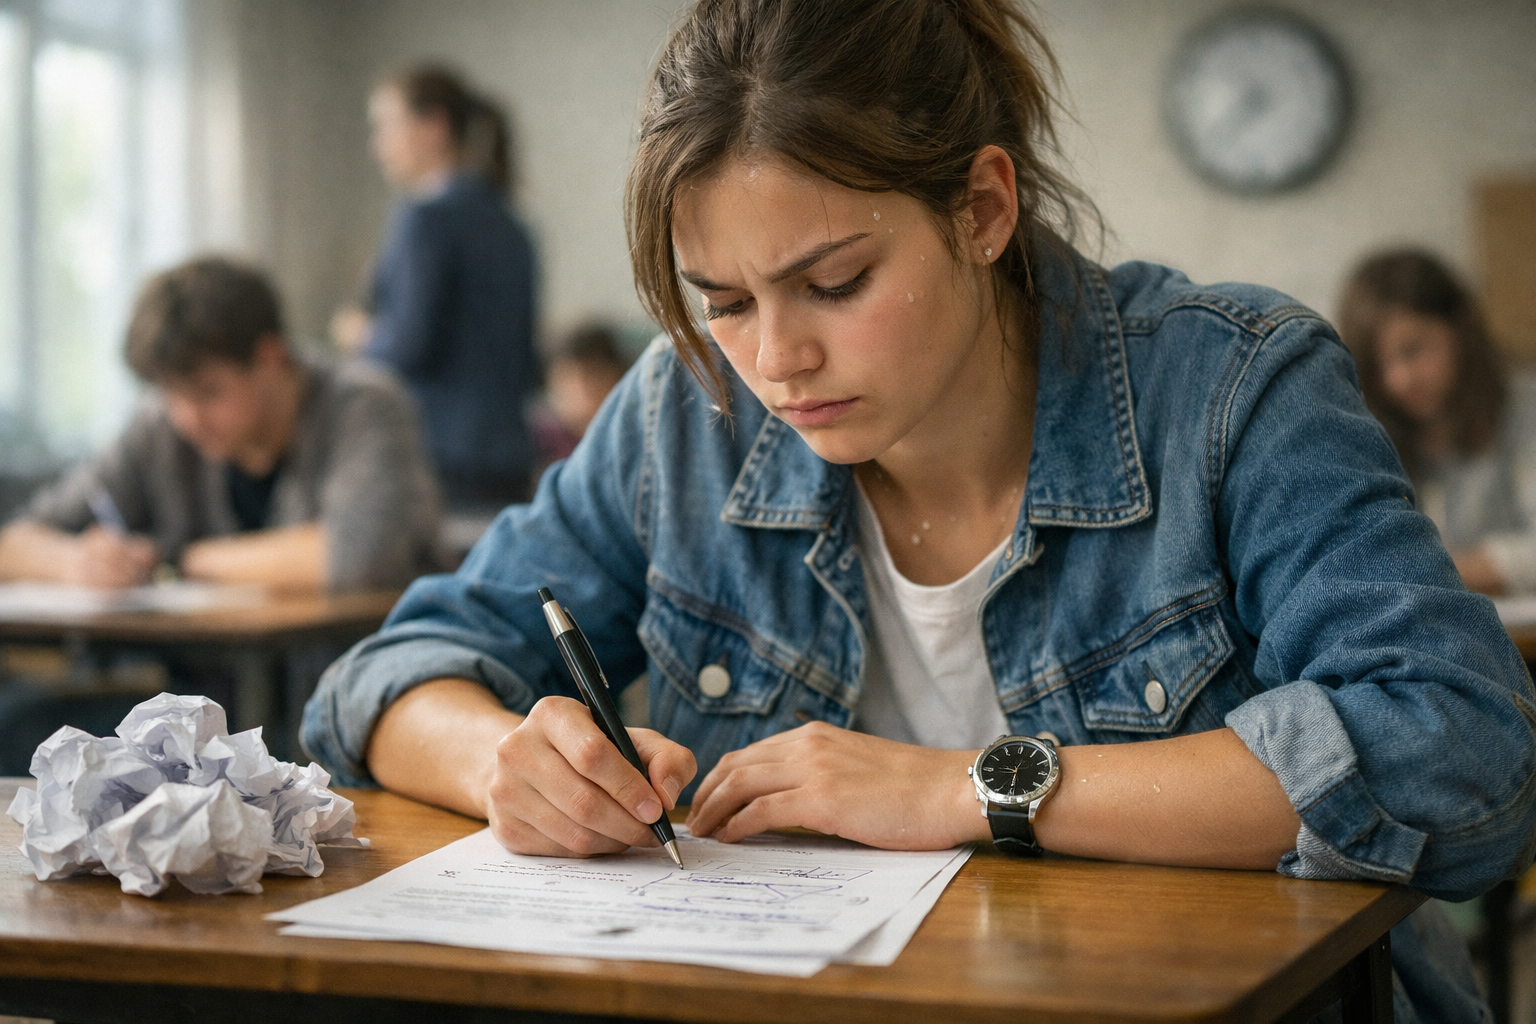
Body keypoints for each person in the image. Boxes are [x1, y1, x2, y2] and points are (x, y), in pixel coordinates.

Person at [304, 3, 1533, 1019]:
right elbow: (392, 674)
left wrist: (970, 789)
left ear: (984, 209)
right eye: (722, 299)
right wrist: (502, 759)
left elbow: (1462, 752)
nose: (774, 358)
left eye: (834, 282)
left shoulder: (1229, 390)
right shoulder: (689, 415)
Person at [0, 256, 441, 591]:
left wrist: (180, 562)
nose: (186, 417)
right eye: (170, 394)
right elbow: (14, 542)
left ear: (269, 360)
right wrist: (75, 562)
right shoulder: (162, 426)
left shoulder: (364, 406)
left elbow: (361, 555)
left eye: (207, 392)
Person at [333, 64, 542, 513]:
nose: (377, 147)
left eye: (387, 127)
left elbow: (409, 346)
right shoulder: (513, 226)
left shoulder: (425, 218)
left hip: (442, 458)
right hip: (508, 456)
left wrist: (359, 334)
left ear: (433, 128)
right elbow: (528, 359)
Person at [1340, 247, 1536, 596]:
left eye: (1413, 349)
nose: (1398, 380)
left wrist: (1431, 570)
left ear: (1460, 329)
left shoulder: (1523, 409)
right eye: (1378, 365)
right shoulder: (1367, 435)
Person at [528, 321, 633, 470]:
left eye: (592, 376)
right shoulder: (540, 440)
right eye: (568, 379)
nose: (580, 390)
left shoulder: (631, 438)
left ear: (619, 377)